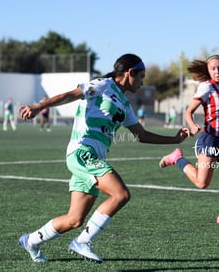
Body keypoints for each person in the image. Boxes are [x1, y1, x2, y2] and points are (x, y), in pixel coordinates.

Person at [18, 53, 190, 263]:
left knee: (74, 219)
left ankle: (31, 241)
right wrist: (38, 106)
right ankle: (82, 242)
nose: (143, 82)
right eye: (141, 76)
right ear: (130, 73)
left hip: (91, 159)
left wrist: (174, 140)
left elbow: (141, 135)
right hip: (82, 152)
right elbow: (71, 94)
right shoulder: (102, 85)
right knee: (121, 195)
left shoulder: (125, 104)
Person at [159, 55, 219, 224]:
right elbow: (188, 112)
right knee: (202, 183)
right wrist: (193, 126)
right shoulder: (206, 87)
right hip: (209, 139)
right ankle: (177, 159)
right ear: (209, 71)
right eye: (213, 68)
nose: (217, 71)